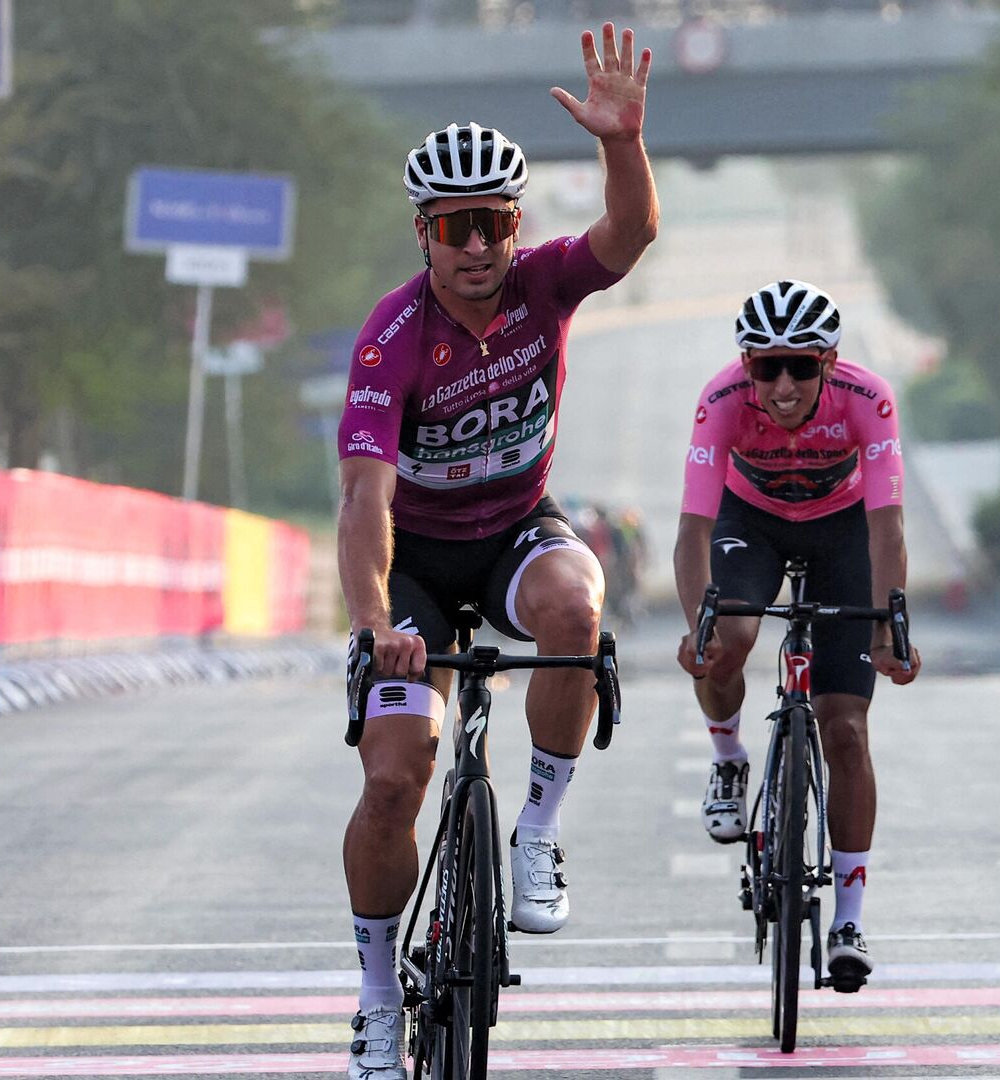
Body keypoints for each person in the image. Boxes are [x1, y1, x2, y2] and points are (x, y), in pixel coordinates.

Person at [335, 24, 658, 1079]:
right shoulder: (392, 341)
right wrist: (378, 623)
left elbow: (632, 231)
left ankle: (538, 829)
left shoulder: (543, 287)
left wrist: (622, 142)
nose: (478, 248)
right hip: (419, 567)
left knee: (576, 612)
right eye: (455, 228)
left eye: (494, 225)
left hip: (519, 529)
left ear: (516, 228)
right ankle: (379, 998)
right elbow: (364, 499)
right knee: (394, 782)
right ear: (424, 234)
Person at [673, 280, 922, 993]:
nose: (782, 386)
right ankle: (728, 755)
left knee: (845, 729)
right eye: (765, 367)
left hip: (844, 531)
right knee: (733, 636)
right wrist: (700, 625)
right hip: (747, 523)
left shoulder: (867, 398)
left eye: (801, 367)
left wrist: (889, 624)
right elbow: (692, 530)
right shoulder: (721, 401)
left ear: (831, 363)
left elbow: (887, 525)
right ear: (746, 364)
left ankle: (848, 917)